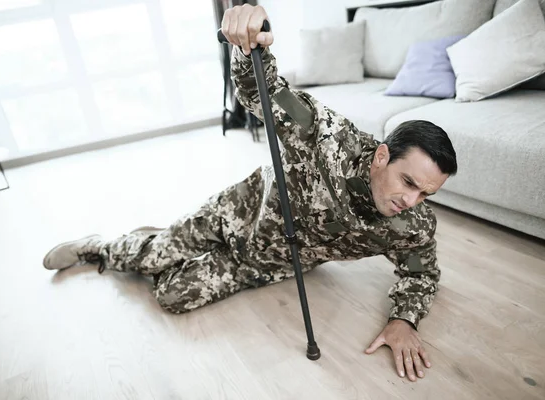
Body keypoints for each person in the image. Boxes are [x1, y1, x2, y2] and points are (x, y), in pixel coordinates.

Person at [42, 4, 457, 383]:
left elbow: (422, 272)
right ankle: (101, 247)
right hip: (234, 215)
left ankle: (159, 240)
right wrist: (249, 46)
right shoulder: (327, 135)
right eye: (408, 182)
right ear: (382, 156)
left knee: (171, 295)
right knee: (150, 258)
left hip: (267, 262)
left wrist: (405, 319)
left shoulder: (412, 223)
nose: (411, 200)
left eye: (426, 194)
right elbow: (265, 91)